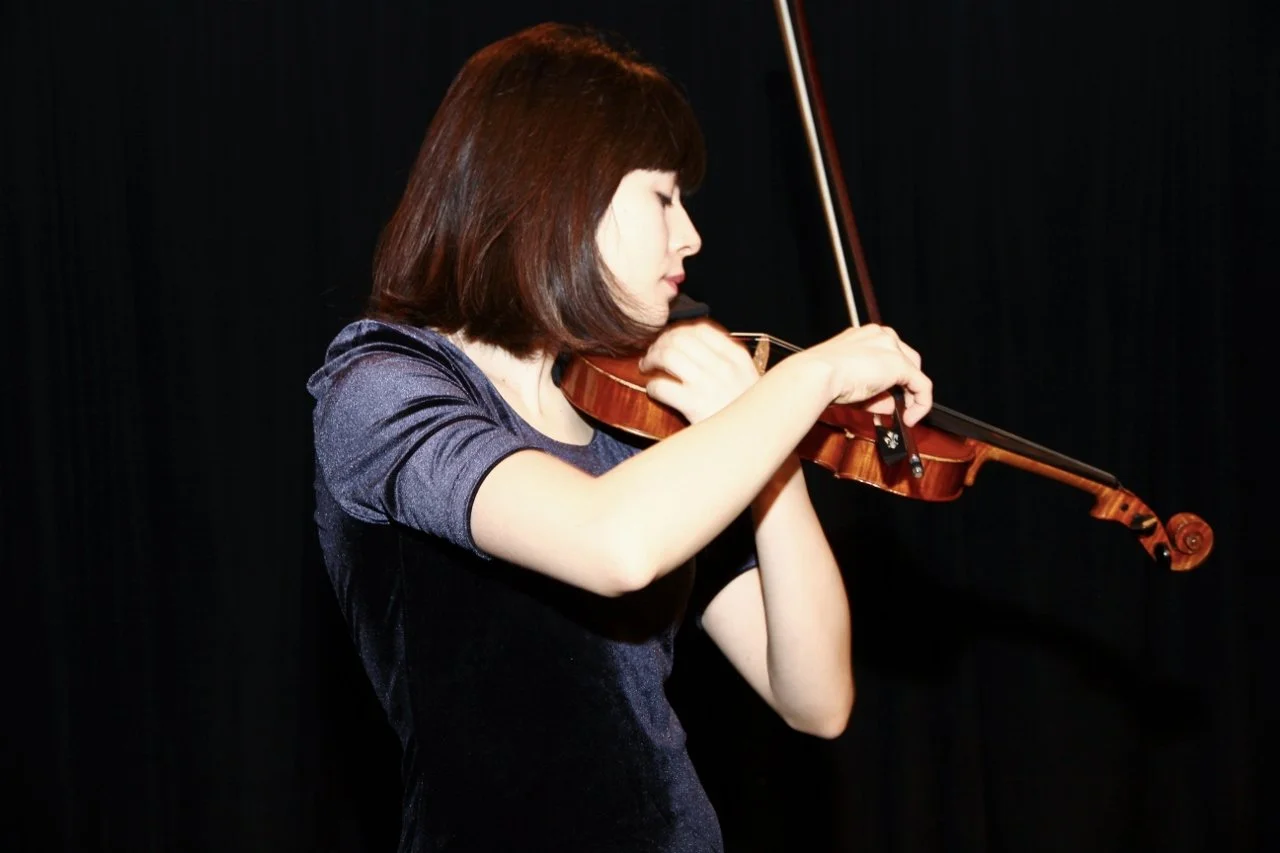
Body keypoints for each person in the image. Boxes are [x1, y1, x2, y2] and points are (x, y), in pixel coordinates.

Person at [307, 21, 932, 853]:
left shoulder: (635, 419)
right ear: (559, 188)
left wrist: (772, 454)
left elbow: (815, 697)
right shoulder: (382, 388)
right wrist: (804, 380)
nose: (691, 238)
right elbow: (613, 542)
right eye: (662, 197)